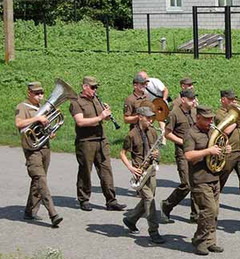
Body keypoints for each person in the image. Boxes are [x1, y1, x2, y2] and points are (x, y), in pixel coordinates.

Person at [69, 76, 126, 211]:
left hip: (101, 140)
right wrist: (100, 117)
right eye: (93, 87)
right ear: (85, 87)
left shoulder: (96, 99)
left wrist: (106, 115)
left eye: (96, 87)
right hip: (86, 141)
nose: (95, 90)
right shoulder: (76, 102)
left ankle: (111, 200)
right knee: (85, 171)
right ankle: (84, 199)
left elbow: (102, 119)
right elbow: (80, 122)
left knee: (106, 170)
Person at [15, 81, 63, 227]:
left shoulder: (42, 108)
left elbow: (44, 128)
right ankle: (53, 213)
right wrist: (37, 118)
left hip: (44, 148)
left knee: (38, 182)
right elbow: (19, 123)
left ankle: (29, 212)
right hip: (32, 150)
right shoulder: (22, 107)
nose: (40, 96)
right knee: (41, 180)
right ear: (29, 93)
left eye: (41, 93)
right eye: (36, 93)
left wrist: (49, 131)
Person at [184, 104, 228, 256]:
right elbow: (188, 156)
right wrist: (209, 151)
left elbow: (218, 150)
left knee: (215, 212)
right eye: (207, 119)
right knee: (209, 210)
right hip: (200, 178)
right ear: (198, 118)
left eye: (211, 119)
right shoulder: (191, 133)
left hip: (214, 176)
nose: (210, 122)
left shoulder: (213, 131)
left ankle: (210, 241)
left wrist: (224, 150)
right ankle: (200, 240)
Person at [120, 107, 165, 244]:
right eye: (148, 118)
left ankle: (130, 219)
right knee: (150, 200)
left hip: (151, 170)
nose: (151, 121)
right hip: (140, 172)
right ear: (140, 117)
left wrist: (156, 154)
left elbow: (155, 148)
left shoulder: (152, 131)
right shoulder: (132, 135)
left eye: (152, 118)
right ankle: (154, 231)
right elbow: (122, 153)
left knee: (147, 199)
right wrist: (131, 168)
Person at [162, 89, 198, 223]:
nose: (193, 101)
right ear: (183, 99)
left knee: (196, 182)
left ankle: (195, 215)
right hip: (182, 152)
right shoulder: (174, 113)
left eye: (194, 98)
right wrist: (183, 142)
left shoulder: (194, 111)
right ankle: (167, 205)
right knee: (187, 184)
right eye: (190, 99)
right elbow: (167, 133)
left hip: (195, 151)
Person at [138, 70, 170, 143]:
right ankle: (146, 137)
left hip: (160, 103)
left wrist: (163, 101)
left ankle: (163, 140)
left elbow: (165, 90)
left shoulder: (155, 81)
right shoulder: (140, 86)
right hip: (151, 105)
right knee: (148, 120)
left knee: (161, 120)